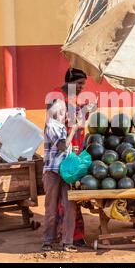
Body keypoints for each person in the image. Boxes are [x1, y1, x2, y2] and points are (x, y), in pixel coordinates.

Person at [48, 68, 97, 247]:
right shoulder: (58, 99)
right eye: (78, 84)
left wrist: (85, 111)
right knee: (66, 198)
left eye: (83, 84)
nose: (81, 88)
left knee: (70, 197)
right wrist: (82, 112)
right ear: (69, 81)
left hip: (73, 153)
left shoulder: (70, 98)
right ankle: (69, 236)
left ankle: (70, 235)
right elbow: (62, 126)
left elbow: (77, 122)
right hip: (62, 155)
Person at [41, 99, 79, 252]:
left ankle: (67, 242)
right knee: (51, 207)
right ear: (58, 112)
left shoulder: (61, 126)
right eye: (63, 110)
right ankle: (48, 241)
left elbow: (65, 149)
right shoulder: (51, 125)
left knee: (70, 206)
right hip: (52, 172)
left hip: (65, 172)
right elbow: (62, 146)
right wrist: (74, 130)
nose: (65, 113)